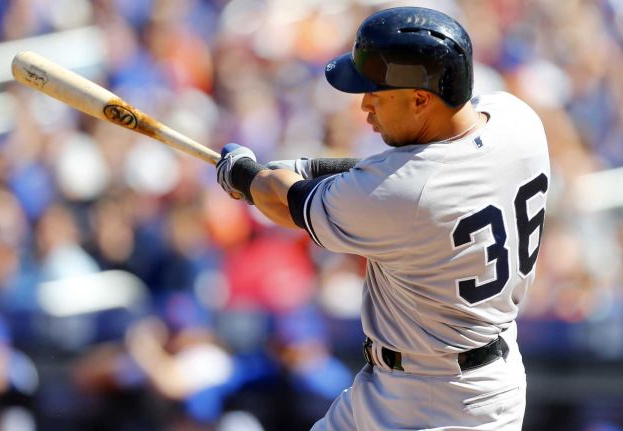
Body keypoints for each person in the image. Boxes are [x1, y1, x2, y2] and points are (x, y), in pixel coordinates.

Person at [215, 6, 550, 430]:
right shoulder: (517, 120)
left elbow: (283, 202)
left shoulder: (408, 195)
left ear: (420, 98)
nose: (365, 104)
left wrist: (244, 174)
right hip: (446, 375)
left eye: (378, 91)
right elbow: (407, 168)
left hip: (444, 404)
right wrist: (304, 166)